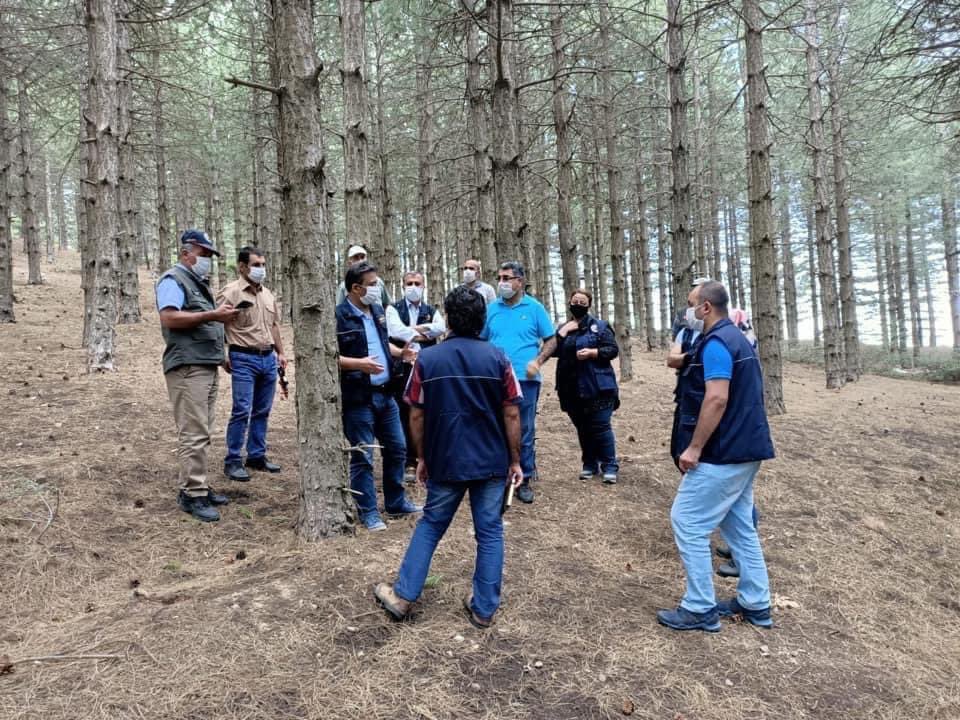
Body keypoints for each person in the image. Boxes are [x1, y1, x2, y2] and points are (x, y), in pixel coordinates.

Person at [373, 285, 523, 628]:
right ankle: (484, 608)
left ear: (449, 320)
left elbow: (415, 413)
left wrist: (422, 457)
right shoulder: (499, 358)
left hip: (445, 459)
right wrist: (515, 460)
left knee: (432, 524)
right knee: (489, 531)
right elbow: (512, 413)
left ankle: (403, 596)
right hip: (490, 461)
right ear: (482, 319)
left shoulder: (427, 359)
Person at [657, 280, 775, 632]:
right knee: (739, 526)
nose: (688, 311)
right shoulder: (735, 338)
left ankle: (699, 607)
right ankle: (756, 602)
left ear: (706, 308)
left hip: (724, 452)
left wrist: (694, 447)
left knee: (687, 521)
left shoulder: (718, 344)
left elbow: (717, 398)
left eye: (691, 304)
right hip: (746, 449)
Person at [156, 229, 239, 522]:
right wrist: (212, 315)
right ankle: (192, 494)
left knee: (203, 429)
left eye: (209, 256)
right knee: (193, 431)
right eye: (203, 255)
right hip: (187, 367)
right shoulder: (173, 280)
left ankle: (198, 485)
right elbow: (169, 317)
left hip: (205, 364)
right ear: (185, 253)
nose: (207, 261)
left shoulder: (196, 283)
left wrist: (221, 356)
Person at [336, 261, 422, 531]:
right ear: (355, 288)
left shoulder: (377, 311)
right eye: (372, 285)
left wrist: (401, 353)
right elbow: (328, 357)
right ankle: (368, 511)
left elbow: (382, 343)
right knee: (363, 456)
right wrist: (358, 364)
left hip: (387, 394)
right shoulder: (339, 317)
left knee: (397, 448)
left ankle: (396, 502)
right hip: (358, 398)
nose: (377, 289)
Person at [481, 261, 556, 504]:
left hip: (526, 380)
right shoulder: (492, 309)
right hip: (494, 380)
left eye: (506, 278)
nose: (501, 283)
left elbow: (551, 340)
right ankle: (497, 476)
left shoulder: (534, 308)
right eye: (499, 277)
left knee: (524, 430)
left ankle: (525, 477)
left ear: (520, 281)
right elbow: (480, 340)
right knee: (495, 427)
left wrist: (539, 360)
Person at [217, 246, 287, 481]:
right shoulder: (231, 292)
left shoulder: (267, 294)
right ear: (242, 267)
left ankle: (256, 456)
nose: (261, 269)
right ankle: (233, 459)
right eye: (256, 265)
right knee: (241, 409)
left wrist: (281, 352)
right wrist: (222, 355)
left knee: (262, 410)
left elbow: (274, 325)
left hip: (268, 358)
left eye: (263, 265)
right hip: (243, 357)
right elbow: (215, 324)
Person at [551, 289, 620, 483]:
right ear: (569, 303)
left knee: (601, 426)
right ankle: (589, 464)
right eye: (575, 301)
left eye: (582, 302)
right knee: (582, 427)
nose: (578, 305)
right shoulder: (564, 328)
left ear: (589, 305)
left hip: (597, 386)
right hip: (570, 388)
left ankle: (610, 466)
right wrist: (562, 332)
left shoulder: (600, 326)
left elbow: (612, 349)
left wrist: (593, 353)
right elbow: (551, 351)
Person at [385, 271, 447, 479]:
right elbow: (394, 331)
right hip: (402, 369)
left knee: (427, 411)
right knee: (405, 411)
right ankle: (408, 460)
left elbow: (440, 328)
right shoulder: (394, 308)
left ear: (424, 286)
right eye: (409, 283)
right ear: (403, 286)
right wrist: (423, 332)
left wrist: (410, 330)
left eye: (417, 283)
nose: (413, 287)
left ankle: (427, 456)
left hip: (427, 367)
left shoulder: (431, 310)